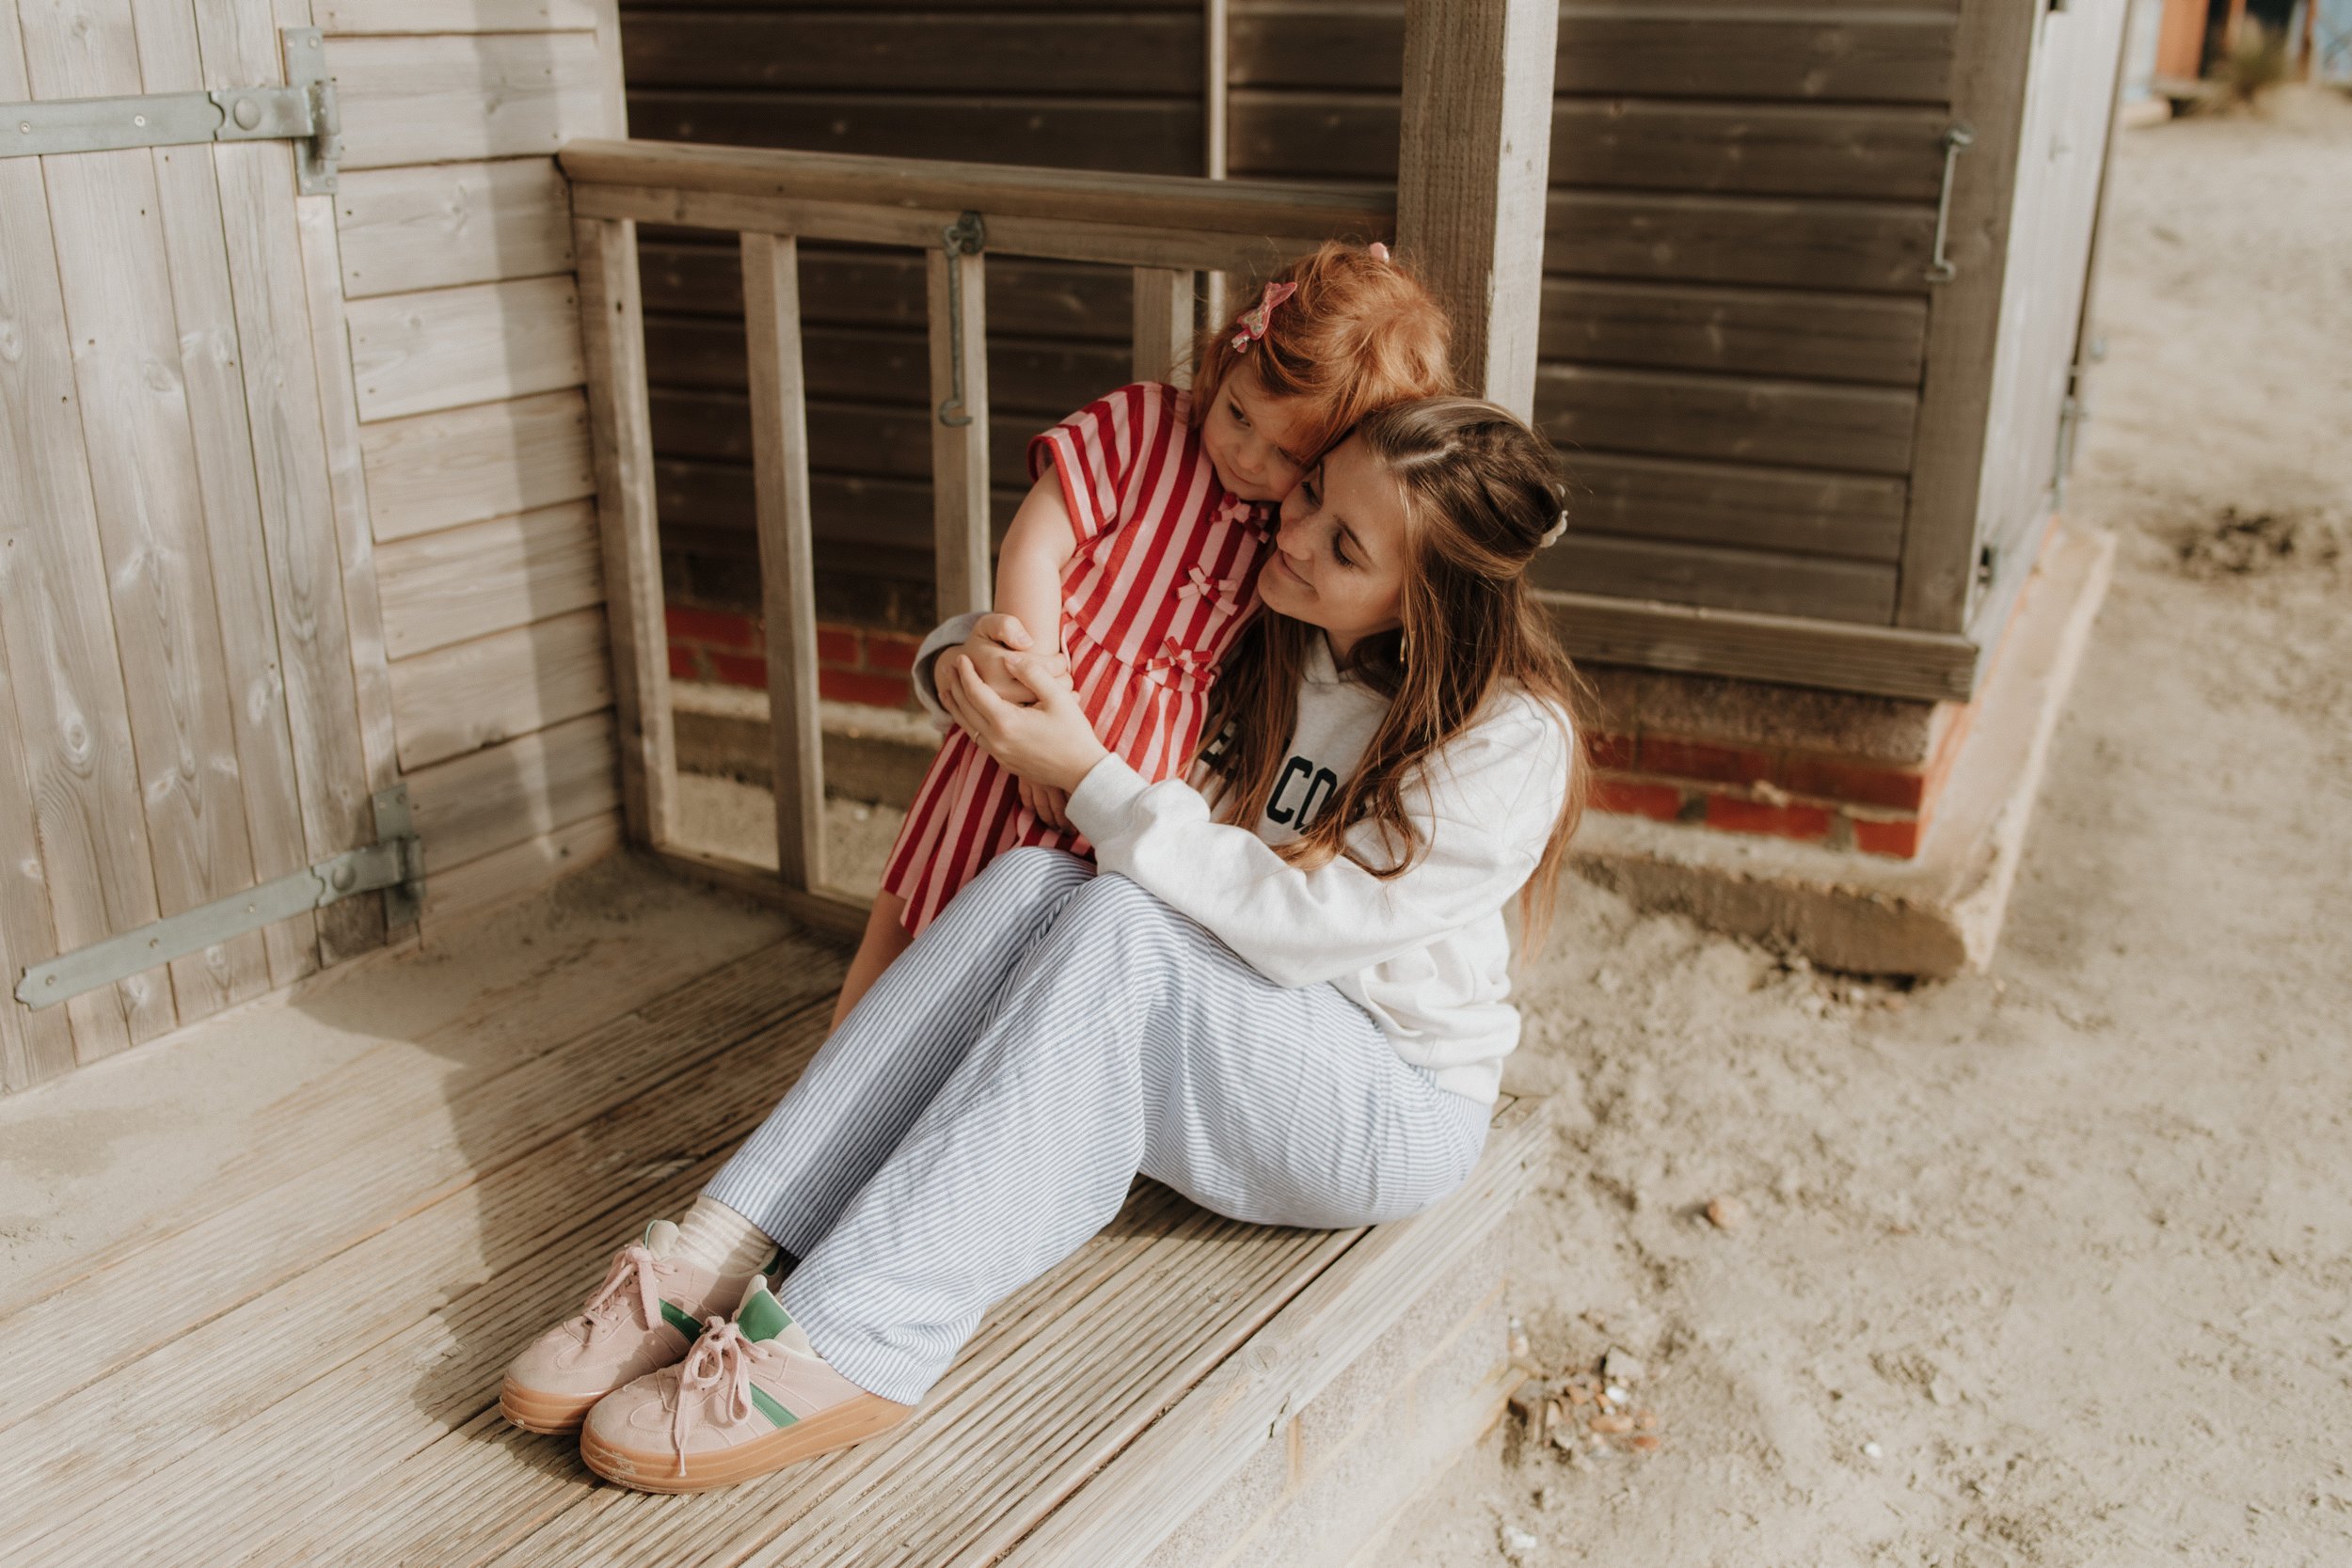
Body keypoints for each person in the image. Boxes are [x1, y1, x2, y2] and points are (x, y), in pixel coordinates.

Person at [498, 398, 1589, 1493]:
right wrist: (974, 667)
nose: (1294, 534)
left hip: (1381, 1098)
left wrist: (1087, 773)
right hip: (1210, 1043)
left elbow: (1302, 933)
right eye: (1311, 492)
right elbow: (1084, 643)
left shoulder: (1506, 738)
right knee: (1036, 878)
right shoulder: (1272, 628)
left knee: (1121, 920)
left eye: (1345, 545)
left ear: (1426, 600)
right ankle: (724, 1244)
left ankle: (860, 1331)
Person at [830, 241, 1455, 1028]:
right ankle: (832, 1083)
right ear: (1229, 353)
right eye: (1237, 413)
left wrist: (1087, 772)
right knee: (910, 922)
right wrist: (1037, 695)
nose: (1244, 454)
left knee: (1027, 976)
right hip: (1034, 703)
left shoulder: (1286, 529)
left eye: (1287, 455)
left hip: (1135, 774)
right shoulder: (1143, 428)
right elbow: (1034, 545)